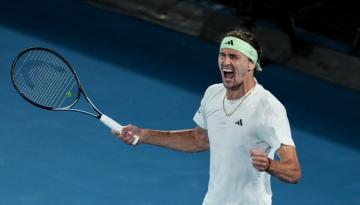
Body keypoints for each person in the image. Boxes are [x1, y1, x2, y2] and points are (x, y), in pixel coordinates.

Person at [112, 29, 301, 205]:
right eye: (222, 55)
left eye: (234, 56)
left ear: (251, 63)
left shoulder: (268, 108)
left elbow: (293, 172)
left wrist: (269, 164)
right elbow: (198, 139)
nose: (226, 62)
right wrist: (144, 134)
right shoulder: (212, 94)